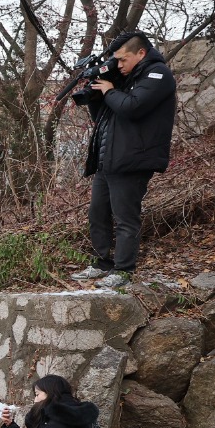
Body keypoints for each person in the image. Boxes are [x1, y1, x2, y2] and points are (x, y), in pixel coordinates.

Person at [72, 31, 176, 290]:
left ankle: (123, 270)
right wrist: (98, 94)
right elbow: (104, 117)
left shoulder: (158, 74)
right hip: (109, 160)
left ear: (141, 53)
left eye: (123, 60)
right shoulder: (126, 79)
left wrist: (109, 91)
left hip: (133, 160)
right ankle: (102, 263)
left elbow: (133, 107)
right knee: (97, 213)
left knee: (125, 217)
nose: (119, 65)